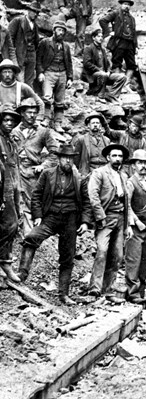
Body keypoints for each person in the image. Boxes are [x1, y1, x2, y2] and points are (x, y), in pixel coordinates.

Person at [19, 145, 90, 304]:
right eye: (65, 157)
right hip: (50, 217)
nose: (68, 161)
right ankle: (22, 273)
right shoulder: (47, 173)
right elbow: (36, 196)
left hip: (70, 220)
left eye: (71, 158)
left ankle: (63, 294)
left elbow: (86, 202)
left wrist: (85, 222)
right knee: (31, 237)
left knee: (67, 257)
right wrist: (37, 216)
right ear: (59, 158)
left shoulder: (79, 178)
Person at [87, 143, 133, 300]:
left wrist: (126, 225)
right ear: (108, 157)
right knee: (102, 252)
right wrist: (100, 217)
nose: (117, 159)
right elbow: (93, 197)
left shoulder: (124, 176)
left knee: (117, 255)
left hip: (120, 218)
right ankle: (94, 288)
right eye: (114, 155)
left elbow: (127, 202)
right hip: (106, 218)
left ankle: (108, 289)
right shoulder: (99, 173)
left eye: (120, 156)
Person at [12, 97, 58, 232]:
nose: (32, 115)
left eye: (34, 112)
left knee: (32, 202)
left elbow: (54, 152)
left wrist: (43, 166)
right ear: (21, 113)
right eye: (28, 112)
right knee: (12, 200)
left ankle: (30, 234)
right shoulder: (12, 130)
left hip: (31, 172)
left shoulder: (43, 131)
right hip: (13, 170)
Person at [124, 149, 146, 304]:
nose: (144, 166)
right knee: (134, 260)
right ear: (133, 165)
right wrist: (137, 222)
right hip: (137, 228)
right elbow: (127, 205)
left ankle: (141, 294)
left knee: (145, 261)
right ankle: (132, 293)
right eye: (140, 163)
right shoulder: (131, 183)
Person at [36, 20, 73, 133]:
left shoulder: (66, 46)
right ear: (54, 31)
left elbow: (69, 63)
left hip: (62, 73)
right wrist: (40, 72)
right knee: (47, 96)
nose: (61, 33)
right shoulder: (45, 42)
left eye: (63, 31)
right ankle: (46, 119)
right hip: (49, 72)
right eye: (59, 30)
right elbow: (38, 59)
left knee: (60, 100)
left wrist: (70, 78)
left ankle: (57, 123)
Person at [0, 105, 23, 283]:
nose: (9, 123)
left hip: (13, 183)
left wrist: (18, 193)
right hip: (2, 185)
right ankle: (5, 262)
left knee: (14, 224)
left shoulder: (11, 141)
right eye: (6, 120)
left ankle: (4, 260)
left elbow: (15, 167)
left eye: (12, 121)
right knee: (9, 223)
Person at [99, 0, 137, 84]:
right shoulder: (116, 14)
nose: (126, 6)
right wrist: (109, 33)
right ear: (121, 5)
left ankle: (125, 83)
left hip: (130, 43)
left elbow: (134, 32)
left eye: (128, 4)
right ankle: (118, 82)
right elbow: (103, 21)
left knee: (131, 64)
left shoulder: (132, 18)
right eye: (124, 4)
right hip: (119, 42)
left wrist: (136, 46)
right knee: (117, 62)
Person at [82, 26, 126, 102]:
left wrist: (108, 71)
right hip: (93, 74)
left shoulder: (103, 49)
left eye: (101, 36)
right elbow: (87, 63)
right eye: (98, 36)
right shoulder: (88, 48)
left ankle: (112, 95)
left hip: (104, 73)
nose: (101, 38)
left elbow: (108, 64)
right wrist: (99, 70)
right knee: (103, 75)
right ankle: (100, 96)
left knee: (122, 77)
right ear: (93, 38)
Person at [74, 112, 112, 186]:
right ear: (88, 125)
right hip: (89, 172)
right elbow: (76, 160)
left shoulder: (106, 140)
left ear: (100, 126)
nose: (95, 125)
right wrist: (82, 173)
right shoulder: (81, 140)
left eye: (97, 123)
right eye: (93, 123)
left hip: (104, 172)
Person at [8, 1, 41, 87]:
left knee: (29, 81)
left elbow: (36, 42)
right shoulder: (17, 21)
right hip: (20, 54)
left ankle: (27, 99)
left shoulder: (35, 26)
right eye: (34, 11)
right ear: (28, 11)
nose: (36, 14)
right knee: (19, 80)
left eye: (37, 12)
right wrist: (13, 54)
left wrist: (33, 52)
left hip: (31, 56)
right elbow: (9, 38)